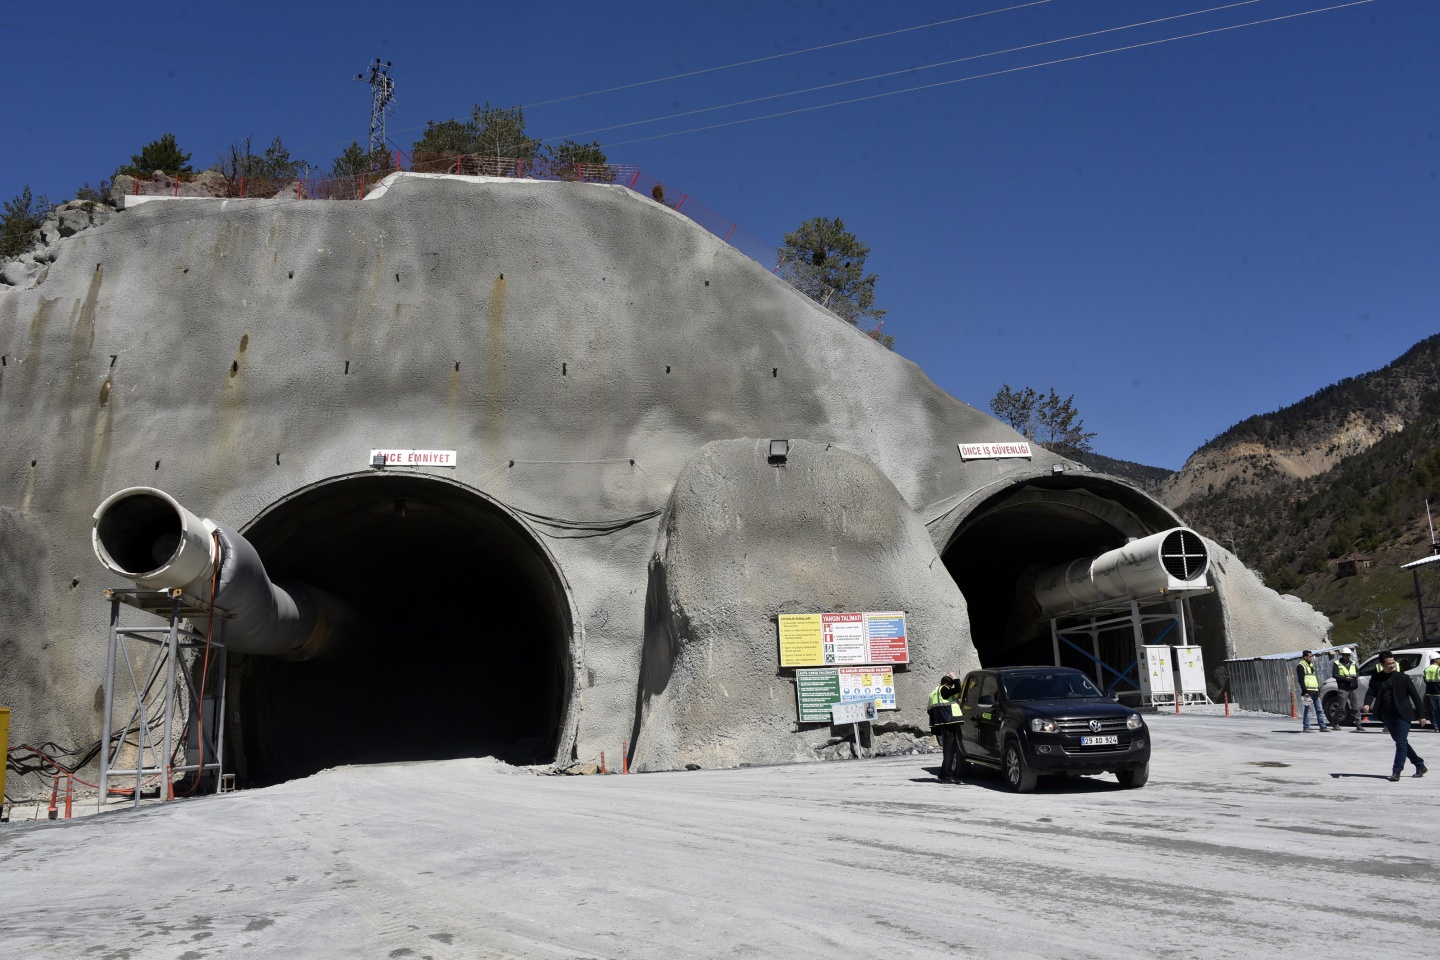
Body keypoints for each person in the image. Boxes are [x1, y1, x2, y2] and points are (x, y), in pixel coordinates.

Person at [1363, 650, 1428, 781]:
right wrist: (1367, 703)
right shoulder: (1376, 678)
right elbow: (1371, 692)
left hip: (1403, 715)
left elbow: (1415, 697)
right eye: (1389, 664)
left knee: (1401, 743)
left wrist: (1422, 715)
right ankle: (1420, 765)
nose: (1392, 665)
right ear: (1382, 664)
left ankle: (1396, 771)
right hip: (1387, 715)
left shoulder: (1403, 678)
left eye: (1393, 663)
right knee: (1401, 742)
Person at [927, 672, 964, 782]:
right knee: (949, 752)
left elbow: (929, 710)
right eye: (951, 685)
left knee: (947, 750)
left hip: (942, 724)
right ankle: (947, 777)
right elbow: (958, 689)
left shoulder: (933, 693)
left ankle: (943, 774)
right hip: (948, 724)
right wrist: (956, 679)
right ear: (948, 684)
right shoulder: (944, 690)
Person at [1295, 651, 1331, 732]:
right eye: (1310, 656)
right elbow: (1301, 680)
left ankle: (1322, 726)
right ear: (1305, 657)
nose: (1311, 658)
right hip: (1308, 691)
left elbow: (1314, 679)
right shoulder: (1301, 666)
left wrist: (1318, 690)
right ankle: (1306, 726)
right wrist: (1305, 691)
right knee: (1307, 709)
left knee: (1319, 709)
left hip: (1315, 690)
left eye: (1311, 656)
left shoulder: (1311, 665)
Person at [1333, 649, 1363, 731]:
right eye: (1346, 655)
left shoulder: (1352, 663)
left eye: (1349, 655)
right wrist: (1345, 678)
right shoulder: (1337, 663)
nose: (1348, 657)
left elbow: (1357, 671)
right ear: (1342, 655)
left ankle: (1359, 724)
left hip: (1352, 687)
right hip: (1343, 688)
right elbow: (1334, 675)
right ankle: (1335, 722)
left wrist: (1355, 677)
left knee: (1355, 707)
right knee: (1341, 707)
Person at [1425, 655, 1440, 732]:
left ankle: (1437, 727)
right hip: (1439, 692)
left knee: (1435, 711)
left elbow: (1425, 680)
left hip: (1431, 693)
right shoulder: (1438, 669)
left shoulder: (1426, 669)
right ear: (1436, 660)